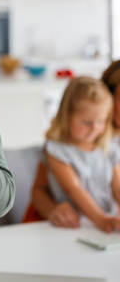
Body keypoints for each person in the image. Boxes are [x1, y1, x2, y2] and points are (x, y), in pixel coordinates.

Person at [31, 76, 120, 232]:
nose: (94, 128)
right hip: (74, 226)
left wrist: (108, 220)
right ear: (67, 116)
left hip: (106, 224)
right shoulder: (56, 150)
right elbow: (73, 187)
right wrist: (102, 220)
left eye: (101, 121)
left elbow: (118, 187)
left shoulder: (109, 146)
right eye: (87, 122)